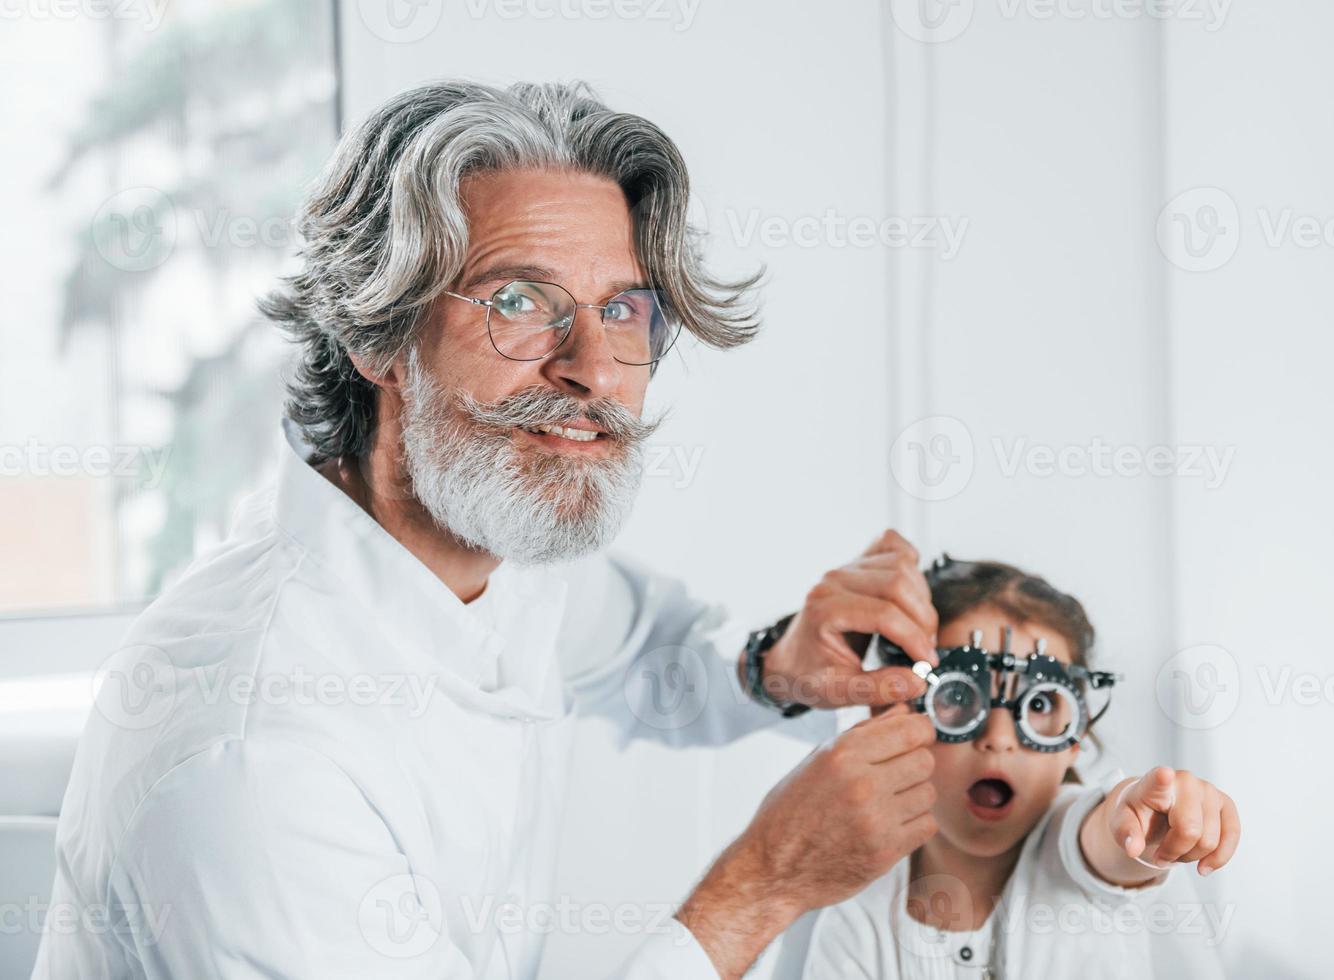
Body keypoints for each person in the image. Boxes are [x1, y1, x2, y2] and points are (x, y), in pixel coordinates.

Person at [32, 80, 944, 980]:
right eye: (518, 301)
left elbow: (636, 652)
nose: (593, 369)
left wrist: (773, 666)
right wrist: (766, 886)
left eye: (620, 309)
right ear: (379, 337)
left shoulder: (478, 537)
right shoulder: (256, 759)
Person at [804, 558, 1240, 978]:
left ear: (1075, 739)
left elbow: (1106, 841)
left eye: (1040, 703)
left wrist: (1141, 824)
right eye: (958, 697)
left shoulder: (1073, 840)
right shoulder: (857, 905)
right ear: (892, 716)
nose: (999, 736)